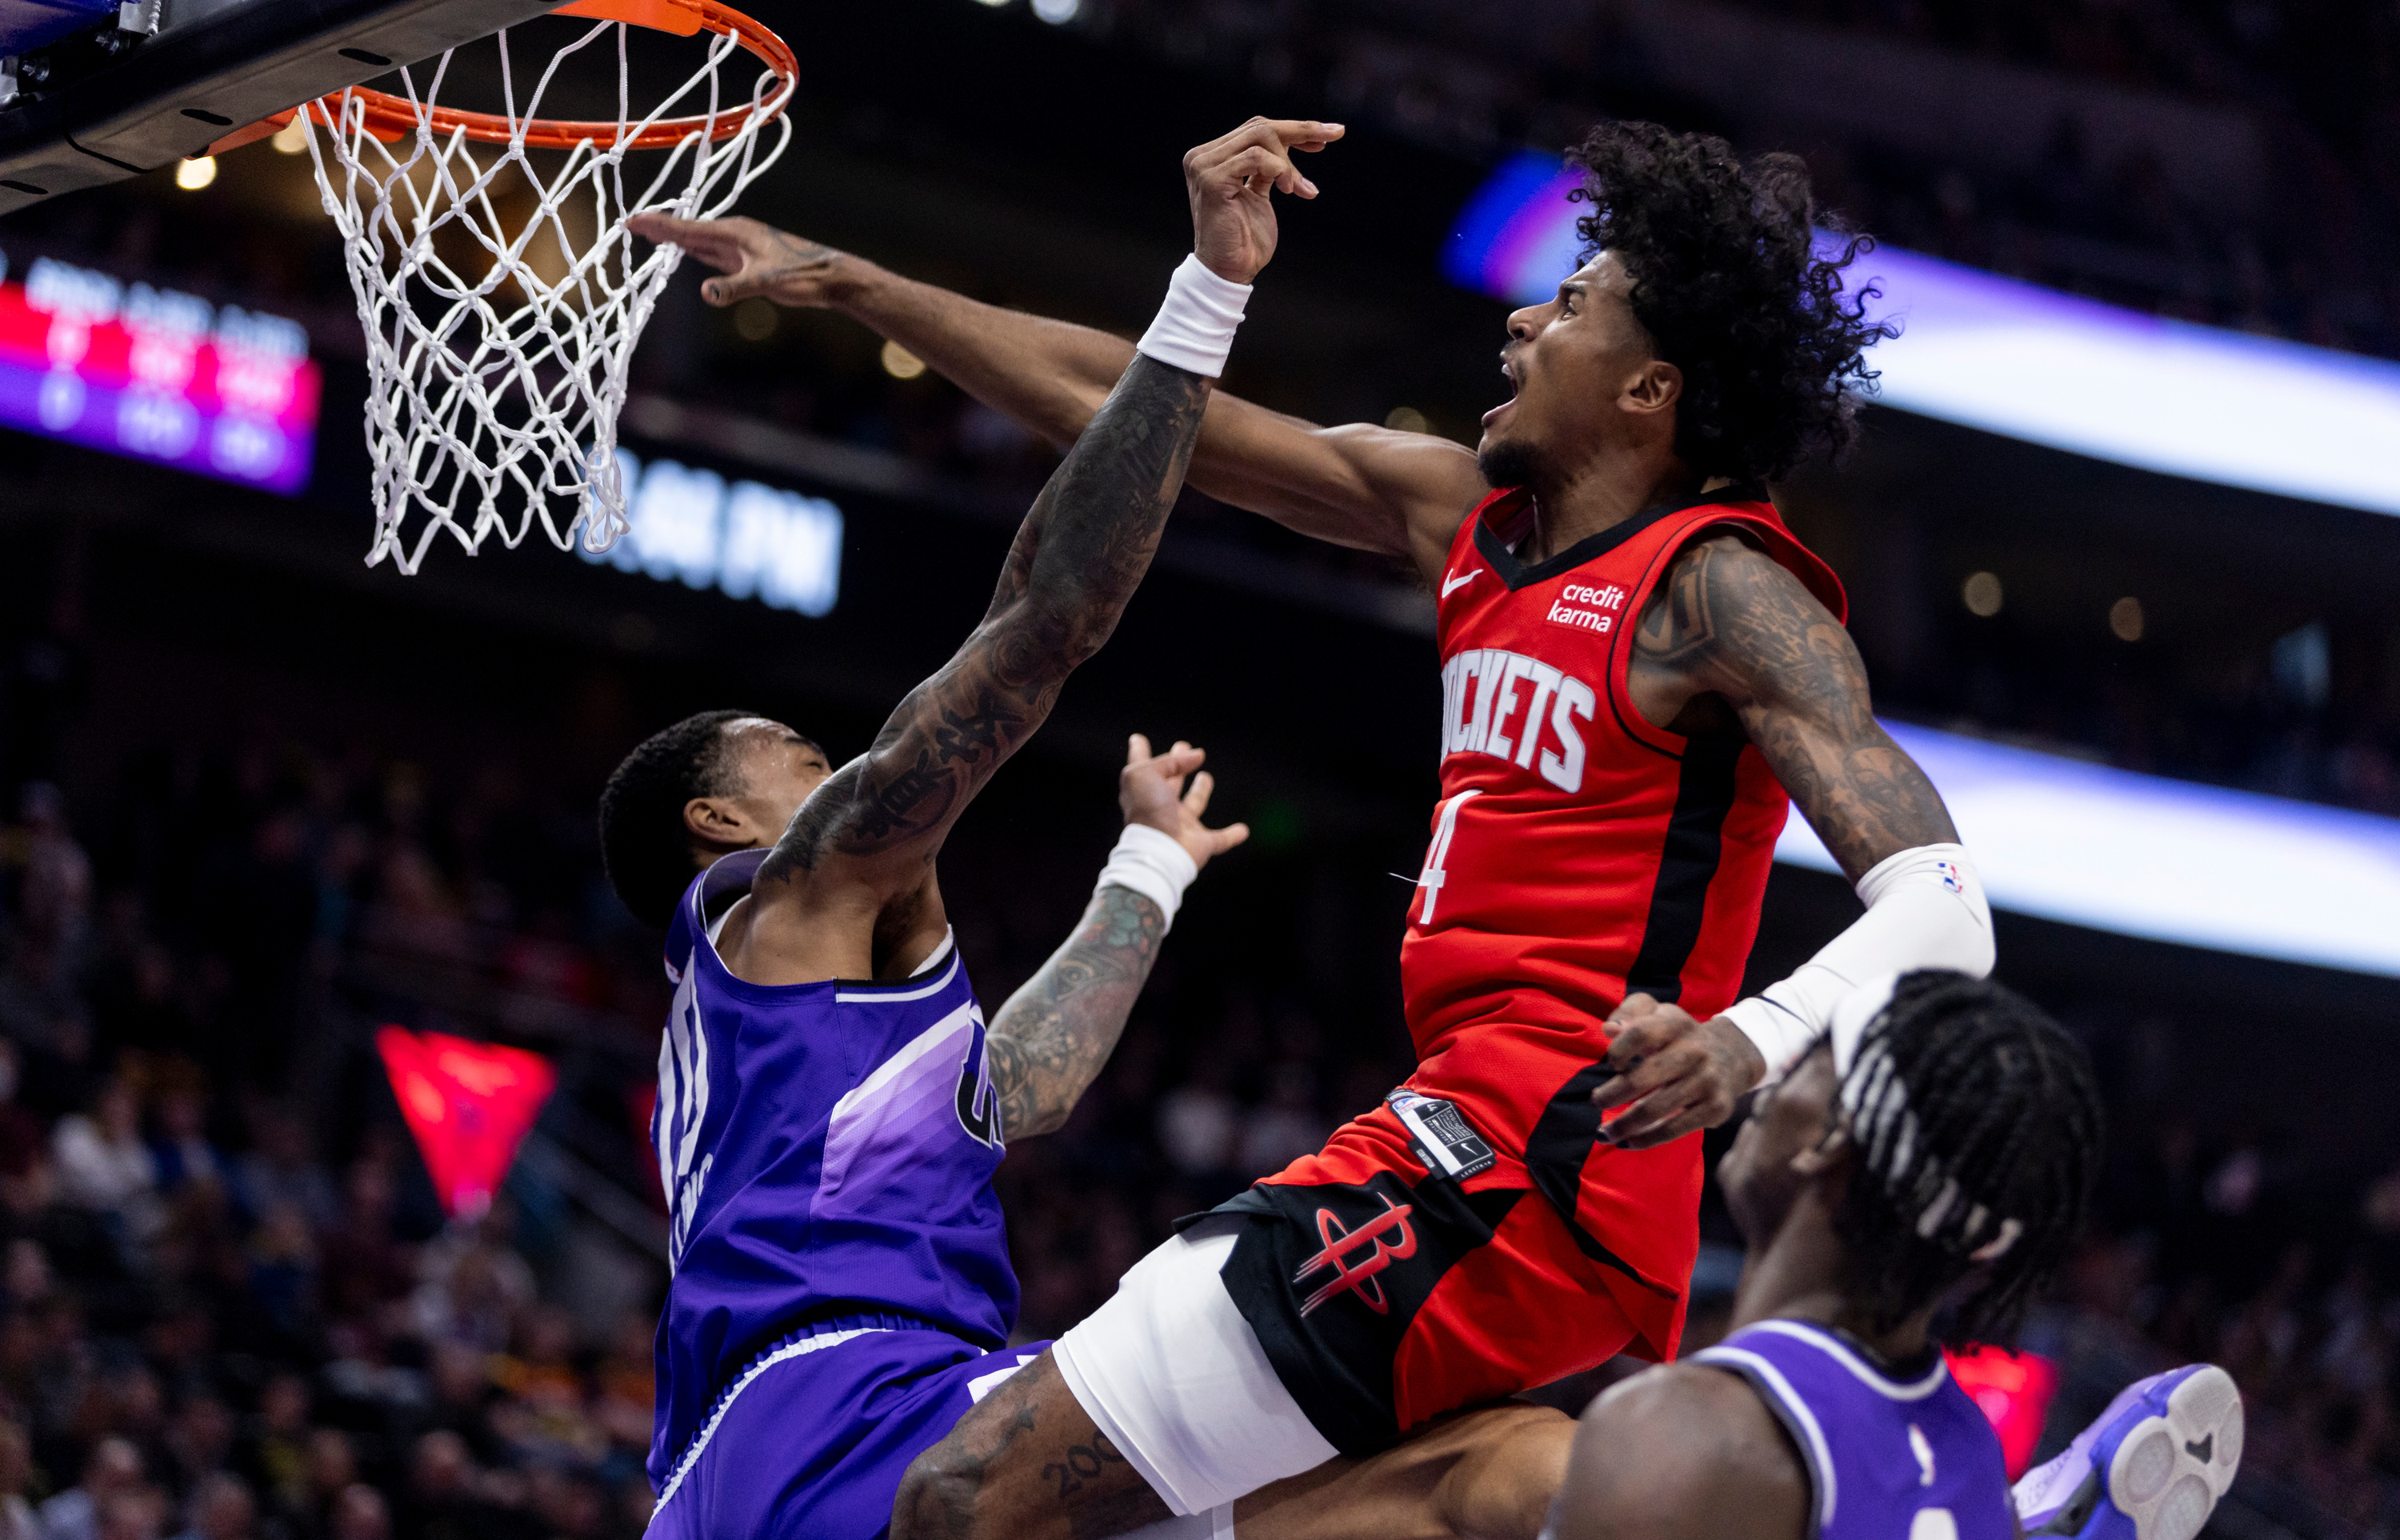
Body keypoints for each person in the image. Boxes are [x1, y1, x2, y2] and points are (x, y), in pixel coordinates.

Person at [647, 118, 1997, 1534]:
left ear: (1651, 387)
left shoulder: (1718, 590)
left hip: (1529, 1146)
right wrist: (863, 284)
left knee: (970, 1497)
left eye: (1576, 304)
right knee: (1447, 1502)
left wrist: (1748, 1040)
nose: (1526, 318)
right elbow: (1133, 406)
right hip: (1523, 1167)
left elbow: (1945, 900)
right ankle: (1948, 1511)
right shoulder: (1472, 524)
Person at [611, 117, 1326, 1538]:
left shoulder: (818, 1026)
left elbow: (1020, 1094)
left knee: (1430, 1491)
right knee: (1407, 1465)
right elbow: (1044, 618)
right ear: (718, 822)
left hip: (809, 1438)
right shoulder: (784, 905)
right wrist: (1209, 288)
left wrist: (1147, 872)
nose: (850, 767)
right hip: (831, 1409)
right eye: (807, 756)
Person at [1150, 972, 2242, 1540]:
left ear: (1826, 1143)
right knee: (1480, 1469)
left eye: (1808, 1059)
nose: (1763, 1080)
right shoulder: (1959, 1444)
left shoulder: (1684, 1439)